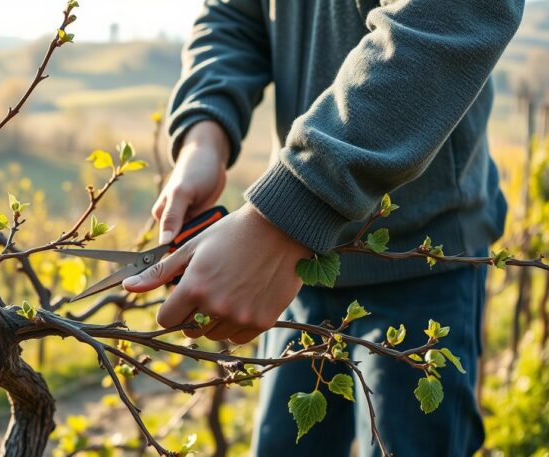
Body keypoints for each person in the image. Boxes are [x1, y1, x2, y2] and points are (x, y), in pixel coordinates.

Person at [121, 0, 525, 455]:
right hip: (291, 264)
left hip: (421, 259)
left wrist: (298, 202)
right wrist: (204, 134)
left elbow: (455, 12)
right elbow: (233, 15)